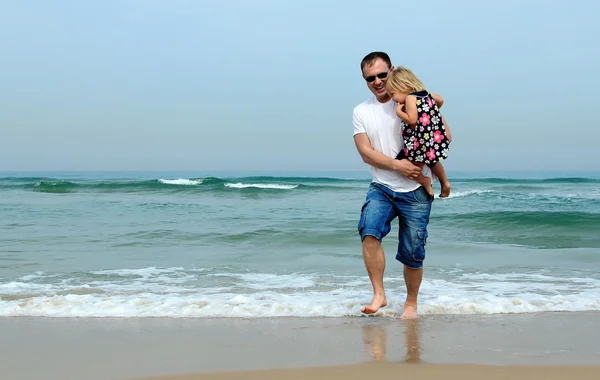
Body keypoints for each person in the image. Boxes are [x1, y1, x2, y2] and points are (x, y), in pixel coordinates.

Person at [352, 51, 433, 319]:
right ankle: (379, 295)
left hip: (416, 190)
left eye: (381, 75)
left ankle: (411, 304)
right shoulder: (361, 111)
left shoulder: (412, 100)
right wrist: (398, 165)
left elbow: (439, 133)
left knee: (413, 251)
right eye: (370, 78)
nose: (376, 82)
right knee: (369, 232)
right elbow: (366, 153)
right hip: (382, 186)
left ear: (392, 70)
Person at [385, 66, 452, 198]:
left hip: (418, 141)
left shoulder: (410, 98)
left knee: (402, 162)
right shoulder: (427, 94)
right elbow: (441, 100)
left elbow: (412, 120)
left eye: (393, 94)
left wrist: (399, 112)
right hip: (429, 139)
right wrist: (429, 110)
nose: (393, 99)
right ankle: (445, 183)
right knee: (432, 160)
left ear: (403, 86)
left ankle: (424, 180)